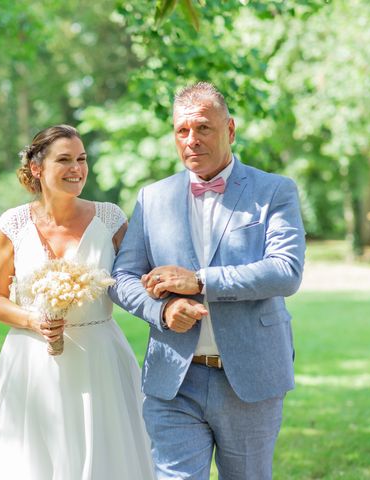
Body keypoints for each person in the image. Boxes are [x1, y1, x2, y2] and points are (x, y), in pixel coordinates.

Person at [110, 82, 306, 480]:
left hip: (250, 378)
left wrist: (199, 281)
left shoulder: (274, 191)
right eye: (182, 130)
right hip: (173, 380)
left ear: (230, 130)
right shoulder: (153, 198)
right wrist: (163, 311)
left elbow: (286, 270)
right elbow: (122, 277)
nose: (191, 140)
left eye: (203, 128)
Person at [0, 124, 156, 479]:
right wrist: (33, 321)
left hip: (100, 359)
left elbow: (137, 280)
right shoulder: (12, 224)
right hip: (31, 361)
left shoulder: (110, 219)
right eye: (64, 160)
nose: (77, 168)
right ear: (36, 168)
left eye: (82, 159)